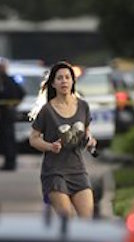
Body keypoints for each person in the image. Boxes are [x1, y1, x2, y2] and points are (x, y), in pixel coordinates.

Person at [28, 61, 97, 219]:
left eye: (67, 77)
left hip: (78, 170)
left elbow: (87, 133)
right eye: (59, 78)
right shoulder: (47, 111)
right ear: (53, 83)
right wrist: (50, 146)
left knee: (88, 220)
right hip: (54, 173)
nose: (64, 81)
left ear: (73, 81)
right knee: (67, 220)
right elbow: (33, 139)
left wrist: (90, 141)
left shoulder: (83, 106)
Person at [0, 58, 25, 171]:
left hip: (7, 114)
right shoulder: (0, 81)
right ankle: (7, 161)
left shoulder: (9, 81)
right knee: (4, 138)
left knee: (8, 138)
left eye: (1, 67)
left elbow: (21, 93)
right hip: (2, 113)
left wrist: (13, 105)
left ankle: (10, 162)